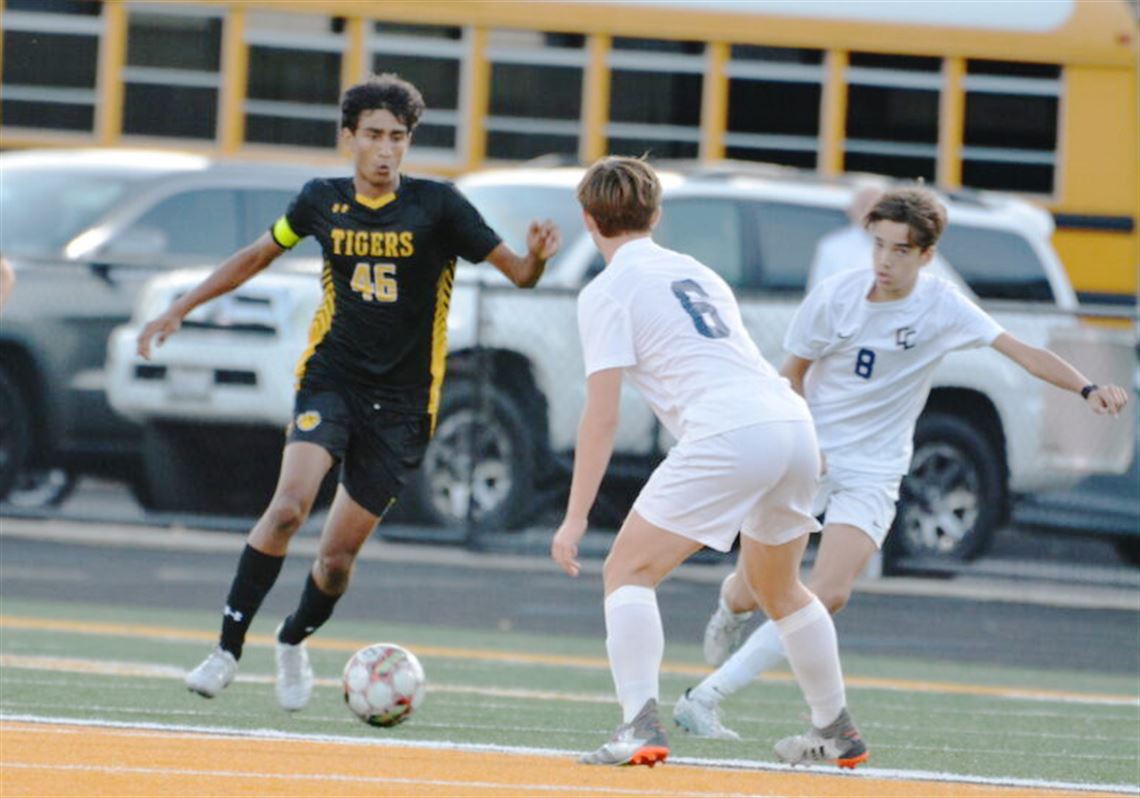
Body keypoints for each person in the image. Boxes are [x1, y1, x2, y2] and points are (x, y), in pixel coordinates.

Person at [136, 74, 560, 711]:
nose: (386, 150)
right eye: (373, 136)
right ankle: (226, 648)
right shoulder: (319, 201)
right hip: (331, 380)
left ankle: (291, 637)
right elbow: (257, 255)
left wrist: (537, 258)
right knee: (286, 509)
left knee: (335, 560)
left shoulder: (440, 207)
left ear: (409, 142)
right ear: (348, 138)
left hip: (404, 407)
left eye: (397, 137)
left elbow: (520, 275)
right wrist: (182, 306)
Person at [673, 186, 1130, 740]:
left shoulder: (942, 305)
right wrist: (807, 439)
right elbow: (790, 374)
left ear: (926, 256)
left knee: (830, 591)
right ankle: (730, 606)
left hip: (875, 469)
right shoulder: (836, 297)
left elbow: (1021, 352)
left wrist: (1087, 388)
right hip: (806, 455)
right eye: (878, 245)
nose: (884, 261)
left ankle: (706, 697)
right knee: (758, 589)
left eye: (900, 251)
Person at [550, 156, 868, 769]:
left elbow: (603, 416)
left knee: (627, 571)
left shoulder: (606, 290)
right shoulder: (695, 270)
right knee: (780, 589)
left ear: (588, 219)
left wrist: (574, 518)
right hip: (790, 422)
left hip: (732, 432)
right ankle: (836, 728)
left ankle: (638, 724)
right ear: (658, 214)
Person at [807, 184, 883, 290]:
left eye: (875, 206)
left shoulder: (899, 245)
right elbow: (818, 290)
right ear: (851, 210)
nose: (869, 212)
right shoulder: (832, 246)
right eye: (863, 205)